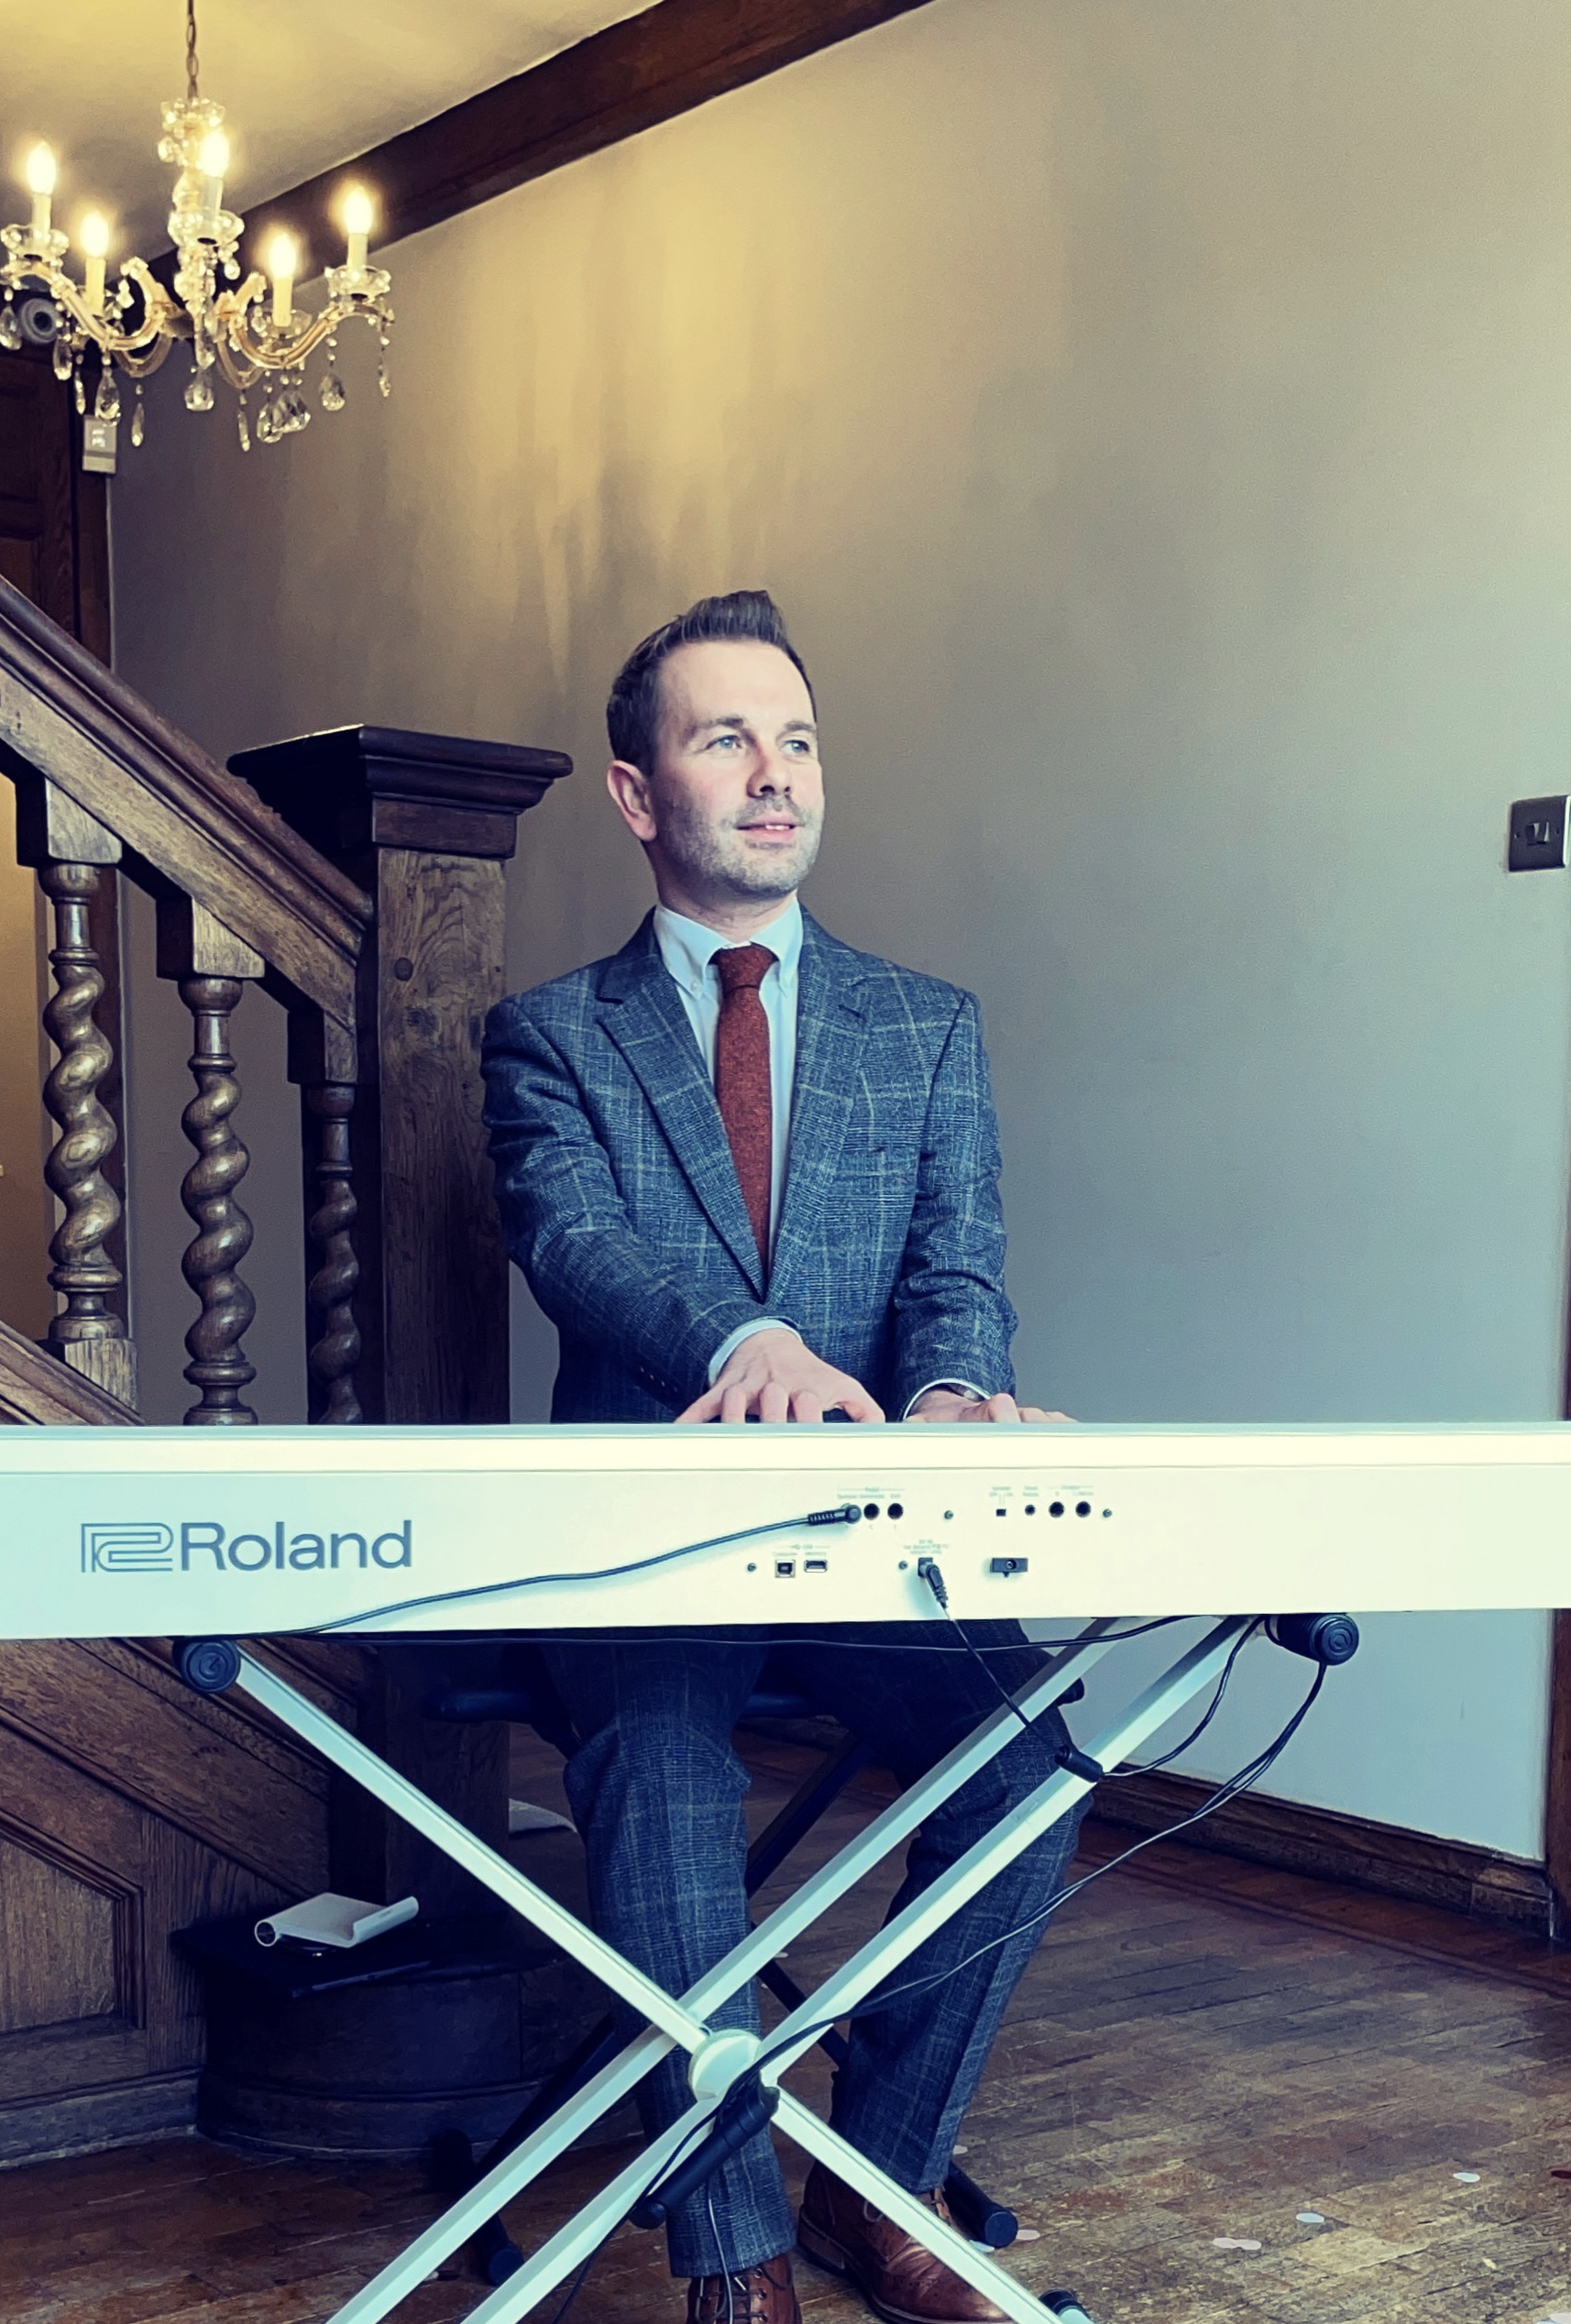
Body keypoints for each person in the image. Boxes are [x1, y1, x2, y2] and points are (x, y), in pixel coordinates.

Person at [481, 591, 1077, 2324]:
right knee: (665, 1788)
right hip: (641, 1558)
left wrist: (962, 1390)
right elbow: (577, 1243)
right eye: (724, 737)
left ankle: (876, 2184)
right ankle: (731, 2250)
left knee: (1031, 1756)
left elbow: (960, 1273)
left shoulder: (928, 1028)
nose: (773, 775)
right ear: (636, 792)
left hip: (871, 1546)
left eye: (797, 738)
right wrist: (747, 1345)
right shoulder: (551, 1037)